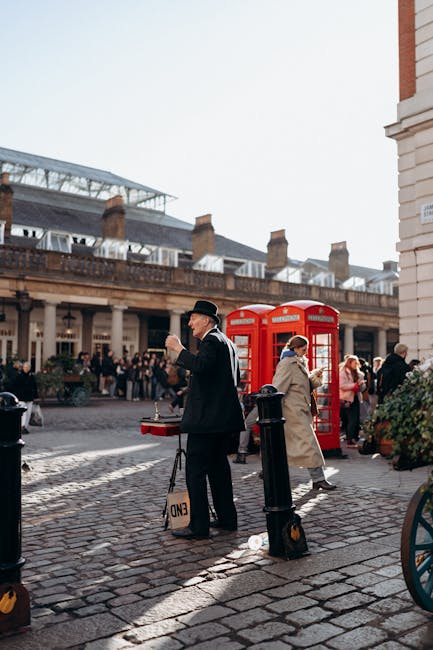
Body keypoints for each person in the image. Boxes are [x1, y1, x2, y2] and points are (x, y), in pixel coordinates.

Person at [165, 299, 244, 539]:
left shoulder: (211, 340)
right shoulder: (227, 343)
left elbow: (201, 365)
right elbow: (229, 379)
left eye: (193, 318)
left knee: (195, 472)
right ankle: (228, 519)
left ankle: (199, 527)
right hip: (223, 421)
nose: (189, 323)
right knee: (219, 470)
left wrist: (179, 349)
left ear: (207, 320)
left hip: (207, 422)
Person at [272, 335, 336, 490]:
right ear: (294, 348)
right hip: (292, 412)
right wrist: (272, 411)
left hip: (302, 410)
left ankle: (268, 469)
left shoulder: (300, 362)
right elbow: (277, 388)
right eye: (303, 349)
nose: (306, 352)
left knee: (286, 445)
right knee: (309, 444)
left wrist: (316, 376)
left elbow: (305, 385)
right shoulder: (287, 364)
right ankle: (319, 478)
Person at [339, 355, 366, 447]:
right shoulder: (343, 372)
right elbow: (342, 385)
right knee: (351, 419)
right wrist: (354, 385)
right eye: (355, 363)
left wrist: (361, 385)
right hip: (346, 398)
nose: (356, 365)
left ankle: (352, 437)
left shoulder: (358, 373)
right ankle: (350, 439)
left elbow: (362, 388)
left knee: (355, 419)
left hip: (356, 397)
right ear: (349, 363)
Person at [11, 361, 38, 434]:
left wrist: (35, 395)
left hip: (29, 397)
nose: (26, 369)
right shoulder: (19, 376)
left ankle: (25, 427)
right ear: (23, 368)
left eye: (27, 367)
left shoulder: (31, 376)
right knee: (24, 412)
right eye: (25, 367)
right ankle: (22, 426)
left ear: (29, 368)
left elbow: (34, 386)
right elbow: (14, 386)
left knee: (28, 413)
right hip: (21, 397)